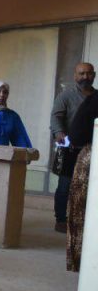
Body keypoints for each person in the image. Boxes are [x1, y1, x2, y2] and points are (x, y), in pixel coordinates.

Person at [51, 63, 96, 233]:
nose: (85, 77)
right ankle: (61, 220)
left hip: (92, 151)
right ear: (75, 75)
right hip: (70, 149)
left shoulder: (97, 97)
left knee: (89, 187)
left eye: (89, 73)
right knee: (65, 186)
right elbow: (56, 117)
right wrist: (59, 133)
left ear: (94, 75)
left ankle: (84, 220)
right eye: (81, 73)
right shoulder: (66, 95)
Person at [67, 91, 98, 272]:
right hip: (91, 158)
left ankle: (81, 262)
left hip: (87, 156)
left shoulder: (92, 99)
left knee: (80, 213)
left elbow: (76, 134)